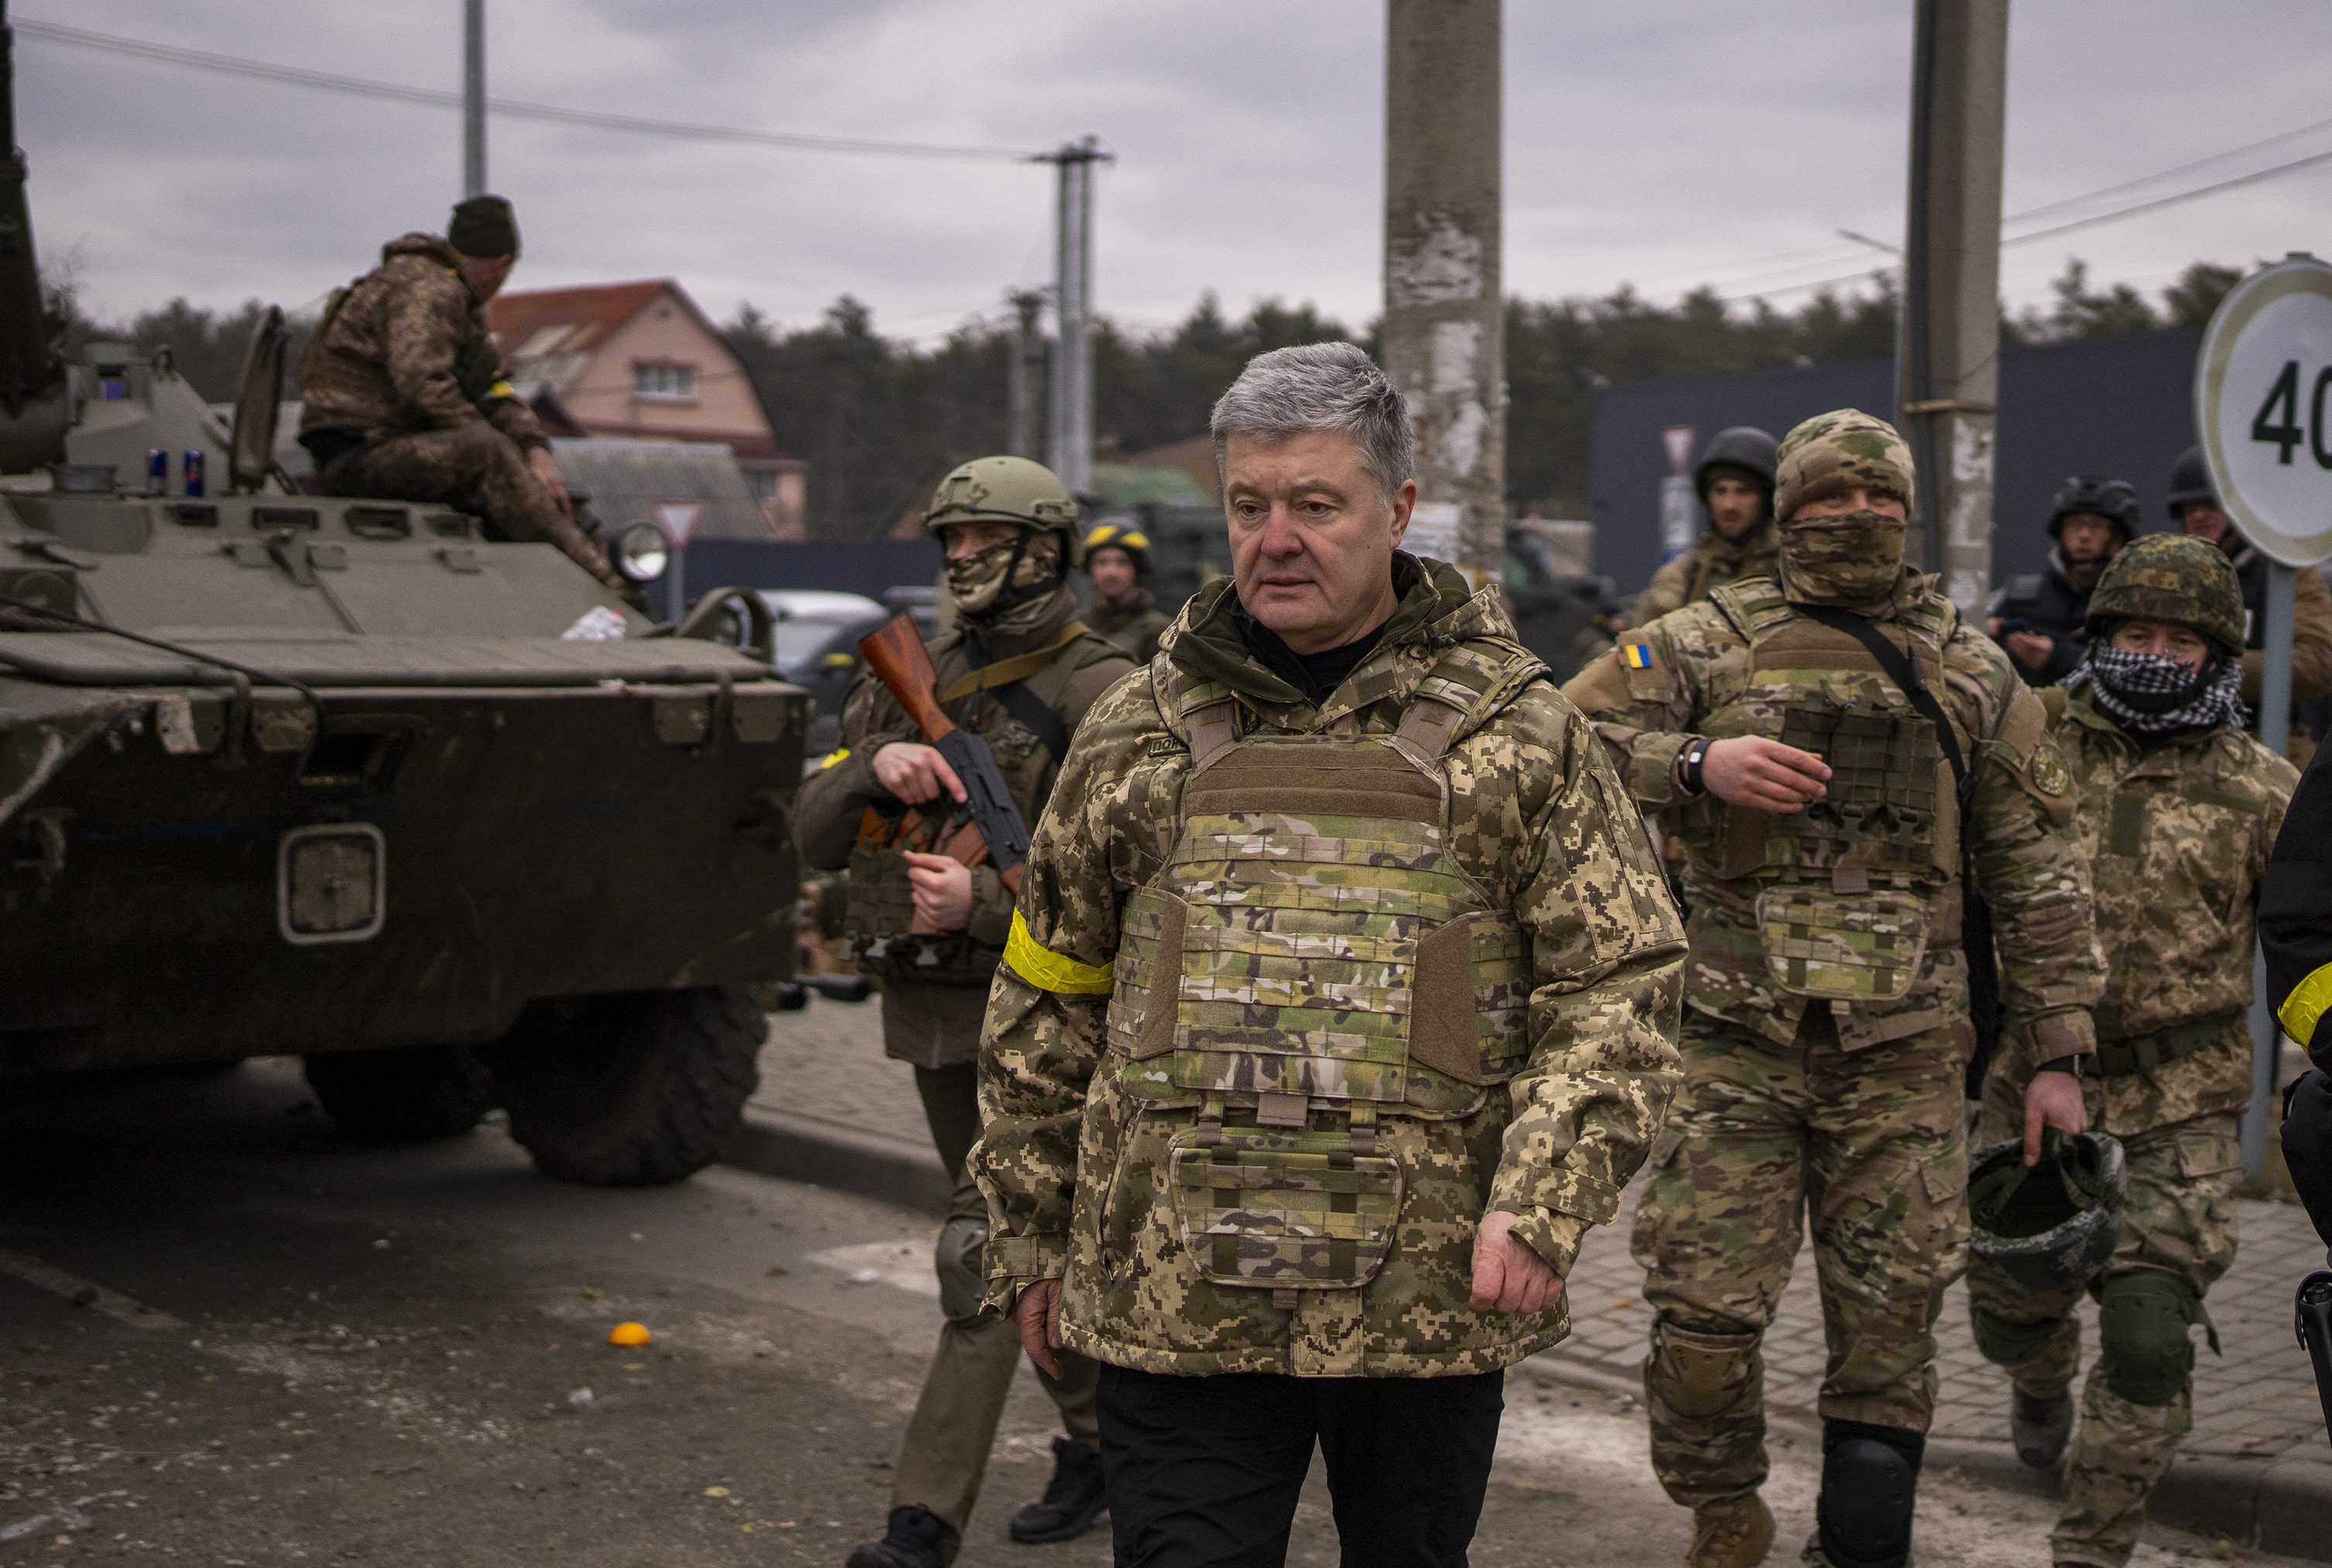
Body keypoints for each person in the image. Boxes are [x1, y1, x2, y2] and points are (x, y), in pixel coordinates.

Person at [971, 342, 1686, 1567]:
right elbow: (1050, 988)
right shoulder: (1136, 728)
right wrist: (1030, 1230)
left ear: (1397, 510)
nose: (1277, 540)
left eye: (1316, 504)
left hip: (1422, 1310)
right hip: (1174, 1300)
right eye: (1249, 505)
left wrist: (1542, 1198)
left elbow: (1617, 982)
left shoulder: (1521, 734)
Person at [1562, 408, 2103, 1568]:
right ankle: (1724, 1508)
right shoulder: (1700, 642)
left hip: (1904, 1056)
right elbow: (1554, 744)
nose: (1856, 518)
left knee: (1889, 1340)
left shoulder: (1970, 668)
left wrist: (2056, 1054)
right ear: (1787, 510)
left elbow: (2038, 869)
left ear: (1909, 513)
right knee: (1701, 1329)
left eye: (1879, 499)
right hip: (1733, 1047)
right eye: (1828, 499)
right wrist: (1696, 763)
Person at [794, 456, 1135, 1568]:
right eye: (951, 539)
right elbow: (805, 835)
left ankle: (921, 1524)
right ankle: (1101, 1444)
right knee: (1026, 1250)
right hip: (935, 1018)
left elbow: (1140, 891)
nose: (961, 557)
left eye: (985, 538)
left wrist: (982, 902)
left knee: (981, 1252)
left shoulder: (1103, 690)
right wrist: (872, 765)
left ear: (1045, 550)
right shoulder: (914, 671)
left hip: (1048, 1029)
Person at [1965, 534, 2296, 1568]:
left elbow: (2308, 933)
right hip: (2033, 1077)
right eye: (2136, 634)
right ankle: (2036, 1382)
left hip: (2184, 1094)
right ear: (2101, 635)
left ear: (2219, 655)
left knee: (2150, 1338)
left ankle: (2092, 1548)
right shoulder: (2035, 743)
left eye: (2181, 642)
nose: (2155, 655)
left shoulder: (2264, 791)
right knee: (2010, 1310)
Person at [297, 194, 619, 587]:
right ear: (501, 264)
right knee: (487, 454)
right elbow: (423, 386)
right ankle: (601, 582)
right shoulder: (425, 287)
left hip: (393, 448)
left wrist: (534, 448)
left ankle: (572, 579)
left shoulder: (456, 300)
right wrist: (501, 449)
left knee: (542, 491)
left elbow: (490, 388)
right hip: (357, 454)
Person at [2167, 444, 2332, 766]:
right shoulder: (2165, 571)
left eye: (2211, 505)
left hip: (2265, 746)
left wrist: (2213, 671)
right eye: (2189, 507)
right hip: (2176, 746)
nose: (2199, 516)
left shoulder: (2286, 573)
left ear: (2238, 508)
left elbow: (2320, 663)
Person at [1985, 475, 2139, 686]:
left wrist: (2061, 658)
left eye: (2096, 526)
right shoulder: (2016, 599)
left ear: (2120, 538)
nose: (2084, 535)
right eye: (2074, 525)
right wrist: (1983, 635)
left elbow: (2141, 674)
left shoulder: (2137, 605)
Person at [1632, 426, 1782, 626]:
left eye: (1743, 491)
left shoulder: (1790, 566)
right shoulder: (1684, 574)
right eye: (1720, 491)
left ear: (1766, 499)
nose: (1729, 505)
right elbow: (1641, 640)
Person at [1082, 520, 1173, 662]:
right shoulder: (1076, 627)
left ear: (1137, 569)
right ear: (1090, 569)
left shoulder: (1163, 633)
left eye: (1122, 562)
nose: (1111, 572)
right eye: (1102, 562)